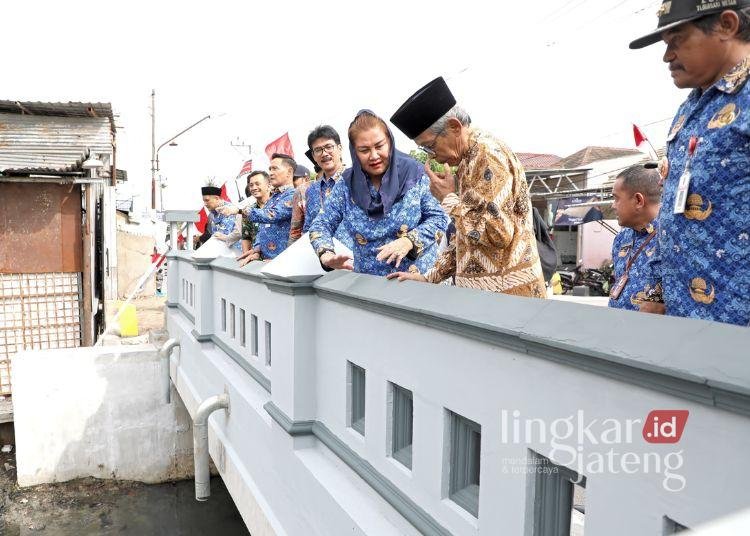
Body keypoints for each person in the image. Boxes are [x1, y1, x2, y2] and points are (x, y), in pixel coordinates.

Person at [630, 1, 750, 326]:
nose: (667, 56)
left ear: (726, 25)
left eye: (677, 41)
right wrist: (656, 291)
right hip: (686, 321)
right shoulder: (691, 108)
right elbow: (671, 212)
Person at [387, 77, 546, 298]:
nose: (432, 155)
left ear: (454, 127)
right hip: (486, 298)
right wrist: (430, 277)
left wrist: (449, 199)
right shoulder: (466, 160)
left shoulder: (487, 155)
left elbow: (497, 234)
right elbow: (467, 238)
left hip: (508, 297)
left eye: (429, 146)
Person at [308, 110, 449, 275]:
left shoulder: (413, 174)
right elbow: (320, 224)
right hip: (368, 284)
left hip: (416, 279)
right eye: (364, 150)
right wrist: (326, 255)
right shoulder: (346, 185)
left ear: (389, 142)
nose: (374, 156)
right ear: (354, 152)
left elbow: (439, 218)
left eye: (379, 146)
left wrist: (410, 241)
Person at [608, 165, 664, 313]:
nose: (613, 206)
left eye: (616, 198)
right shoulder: (621, 239)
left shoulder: (669, 237)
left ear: (639, 200)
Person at [222, 154, 295, 261]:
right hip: (266, 260)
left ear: (289, 172)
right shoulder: (274, 198)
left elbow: (271, 215)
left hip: (282, 261)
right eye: (270, 169)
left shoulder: (293, 195)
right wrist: (257, 249)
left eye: (275, 168)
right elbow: (263, 228)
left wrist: (240, 210)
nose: (271, 173)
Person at [288, 125, 351, 247]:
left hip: (356, 259)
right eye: (318, 150)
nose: (324, 153)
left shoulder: (357, 179)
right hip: (321, 258)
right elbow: (304, 230)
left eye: (328, 147)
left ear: (340, 148)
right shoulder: (310, 190)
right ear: (313, 156)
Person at [239, 171, 271, 264]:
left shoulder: (277, 206)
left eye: (257, 184)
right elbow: (246, 237)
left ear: (268, 185)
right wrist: (247, 258)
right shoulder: (248, 210)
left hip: (275, 259)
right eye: (251, 185)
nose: (254, 188)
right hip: (256, 260)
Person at [201, 184, 242, 252]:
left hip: (235, 253)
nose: (205, 204)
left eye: (207, 200)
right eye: (204, 201)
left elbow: (223, 234)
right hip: (223, 252)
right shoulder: (214, 213)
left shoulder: (228, 209)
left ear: (217, 198)